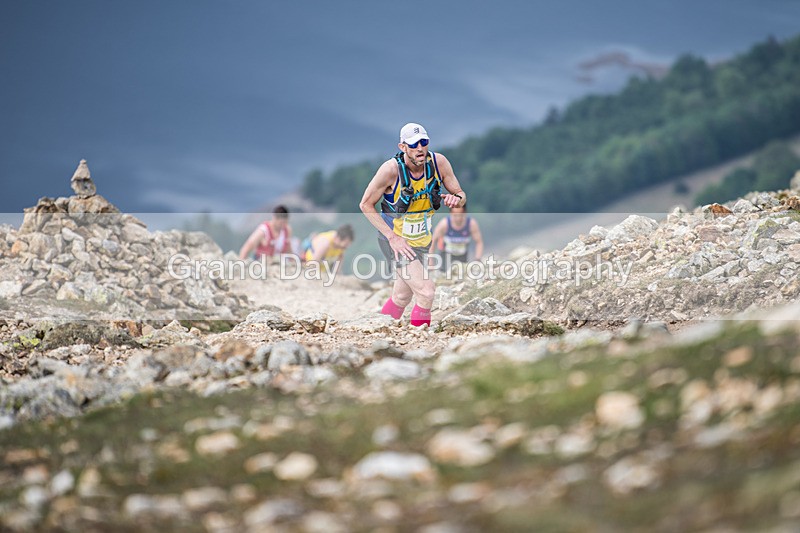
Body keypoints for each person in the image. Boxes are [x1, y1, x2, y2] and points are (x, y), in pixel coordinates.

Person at [359, 122, 467, 327]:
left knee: (401, 297)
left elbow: (461, 195)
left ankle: (379, 329)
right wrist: (393, 238)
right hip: (396, 242)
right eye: (414, 144)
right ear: (402, 147)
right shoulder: (390, 170)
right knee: (426, 292)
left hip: (421, 241)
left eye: (423, 142)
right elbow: (365, 204)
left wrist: (456, 200)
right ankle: (420, 338)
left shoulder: (439, 163)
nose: (420, 148)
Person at [430, 204, 483, 269]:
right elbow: (432, 241)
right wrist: (431, 261)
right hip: (446, 258)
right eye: (455, 215)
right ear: (451, 213)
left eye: (460, 214)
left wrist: (478, 258)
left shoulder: (471, 224)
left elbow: (479, 242)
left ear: (464, 213)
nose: (457, 218)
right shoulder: (444, 224)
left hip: (462, 258)